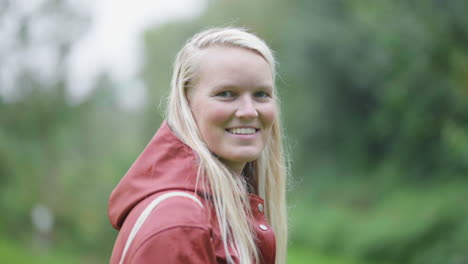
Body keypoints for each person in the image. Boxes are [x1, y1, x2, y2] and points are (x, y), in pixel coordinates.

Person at [108, 27, 288, 264]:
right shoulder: (181, 224)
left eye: (261, 94)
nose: (248, 111)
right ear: (187, 101)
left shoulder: (219, 211)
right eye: (226, 93)